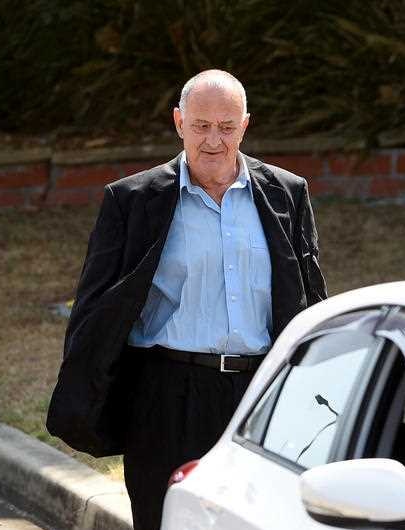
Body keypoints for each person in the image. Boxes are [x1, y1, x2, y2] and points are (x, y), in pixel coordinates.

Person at [46, 70, 327, 529]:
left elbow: (311, 296)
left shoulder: (287, 193)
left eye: (226, 126)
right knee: (167, 520)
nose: (213, 140)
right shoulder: (132, 199)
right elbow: (95, 308)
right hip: (167, 394)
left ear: (246, 125)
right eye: (201, 126)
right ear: (179, 122)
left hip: (259, 394)